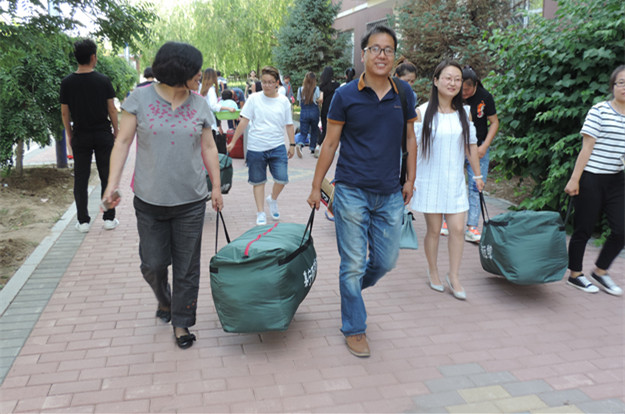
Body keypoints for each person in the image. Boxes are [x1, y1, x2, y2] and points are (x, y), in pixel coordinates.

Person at [102, 41, 223, 349]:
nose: (200, 74)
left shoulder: (199, 104)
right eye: (195, 70)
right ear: (178, 70)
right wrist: (111, 185)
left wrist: (216, 186)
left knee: (187, 267)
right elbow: (122, 142)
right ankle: (164, 299)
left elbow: (209, 147)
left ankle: (182, 322)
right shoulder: (139, 99)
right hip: (149, 200)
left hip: (191, 200)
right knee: (153, 264)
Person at [307, 25, 417, 358]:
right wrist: (315, 185)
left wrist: (410, 179)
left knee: (386, 261)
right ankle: (354, 327)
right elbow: (330, 143)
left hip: (390, 192)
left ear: (394, 56)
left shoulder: (403, 93)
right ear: (364, 53)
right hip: (351, 190)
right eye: (375, 49)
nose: (381, 55)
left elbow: (410, 139)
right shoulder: (344, 95)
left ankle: (351, 288)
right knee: (353, 263)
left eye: (388, 50)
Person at [410, 60, 484, 301]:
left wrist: (477, 175)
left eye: (457, 79)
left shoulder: (464, 112)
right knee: (433, 231)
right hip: (430, 180)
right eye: (448, 78)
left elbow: (470, 145)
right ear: (436, 81)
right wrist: (410, 180)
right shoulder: (421, 113)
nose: (453, 83)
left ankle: (454, 275)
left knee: (458, 229)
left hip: (455, 181)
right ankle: (433, 270)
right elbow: (412, 149)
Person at [564, 65, 625, 296]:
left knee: (621, 229)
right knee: (584, 228)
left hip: (616, 179)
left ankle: (600, 271)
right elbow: (586, 148)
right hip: (591, 177)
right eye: (621, 82)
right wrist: (575, 179)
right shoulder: (599, 111)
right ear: (613, 86)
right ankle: (575, 275)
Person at [60, 38, 119, 233]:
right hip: (103, 134)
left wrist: (69, 134)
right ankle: (109, 218)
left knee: (81, 179)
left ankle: (83, 221)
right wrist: (116, 130)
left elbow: (65, 113)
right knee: (107, 176)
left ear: (76, 57)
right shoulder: (103, 80)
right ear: (93, 57)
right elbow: (112, 109)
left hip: (81, 134)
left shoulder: (67, 83)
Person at [227, 66, 296, 226]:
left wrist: (292, 144)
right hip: (256, 146)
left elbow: (289, 124)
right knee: (258, 181)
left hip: (277, 146)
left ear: (277, 83)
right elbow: (244, 121)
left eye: (270, 82)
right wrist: (233, 141)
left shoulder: (283, 101)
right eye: (264, 82)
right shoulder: (254, 99)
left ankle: (272, 199)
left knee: (282, 178)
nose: (267, 85)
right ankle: (260, 212)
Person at [201, 68, 236, 134]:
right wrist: (228, 108)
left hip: (203, 121)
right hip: (210, 123)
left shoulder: (202, 89)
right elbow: (213, 106)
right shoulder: (211, 90)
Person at [296, 72, 321, 158]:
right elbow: (318, 99)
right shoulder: (316, 88)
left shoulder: (300, 89)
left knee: (303, 132)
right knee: (314, 130)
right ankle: (313, 148)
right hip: (314, 111)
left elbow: (299, 102)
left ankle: (300, 144)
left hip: (304, 111)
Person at [318, 66, 341, 153]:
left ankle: (318, 146)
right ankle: (331, 149)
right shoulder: (337, 85)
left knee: (324, 130)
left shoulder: (322, 86)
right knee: (333, 130)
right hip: (334, 110)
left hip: (324, 110)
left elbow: (321, 99)